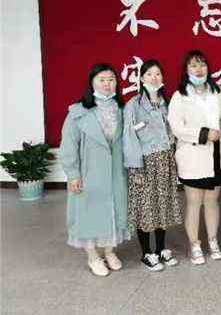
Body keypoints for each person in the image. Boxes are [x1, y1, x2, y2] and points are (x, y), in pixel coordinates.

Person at [60, 63, 130, 277]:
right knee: (88, 213)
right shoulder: (78, 111)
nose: (107, 84)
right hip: (89, 172)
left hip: (115, 172)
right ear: (92, 83)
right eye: (102, 80)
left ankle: (109, 251)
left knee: (115, 211)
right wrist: (73, 174)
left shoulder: (121, 110)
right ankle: (92, 256)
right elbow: (68, 144)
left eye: (111, 79)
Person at [168, 50, 221, 265]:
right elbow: (177, 127)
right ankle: (195, 243)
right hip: (193, 156)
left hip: (217, 155)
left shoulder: (217, 91)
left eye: (202, 64)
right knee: (194, 202)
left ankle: (213, 241)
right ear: (186, 70)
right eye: (194, 66)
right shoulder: (180, 96)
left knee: (212, 201)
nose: (199, 69)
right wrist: (204, 134)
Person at [123, 59, 182, 271]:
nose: (154, 78)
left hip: (165, 161)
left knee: (162, 206)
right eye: (149, 74)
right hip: (144, 163)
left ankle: (161, 248)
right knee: (145, 208)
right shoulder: (133, 105)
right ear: (141, 78)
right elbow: (129, 138)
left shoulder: (168, 103)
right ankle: (147, 252)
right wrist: (136, 167)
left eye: (157, 74)